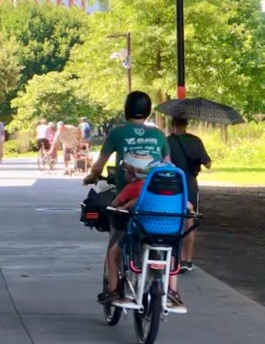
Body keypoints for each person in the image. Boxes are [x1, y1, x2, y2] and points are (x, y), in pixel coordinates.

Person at [84, 91, 173, 305]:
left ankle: (113, 289)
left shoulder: (117, 133)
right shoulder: (159, 135)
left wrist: (92, 177)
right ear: (148, 110)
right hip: (155, 196)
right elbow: (167, 164)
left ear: (126, 110)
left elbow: (99, 165)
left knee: (116, 238)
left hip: (127, 194)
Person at [167, 116, 212, 272]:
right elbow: (208, 163)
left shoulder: (167, 142)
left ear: (173, 124)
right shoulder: (195, 141)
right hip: (190, 186)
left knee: (172, 221)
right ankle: (188, 260)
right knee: (189, 222)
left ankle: (175, 258)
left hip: (171, 186)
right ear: (186, 124)